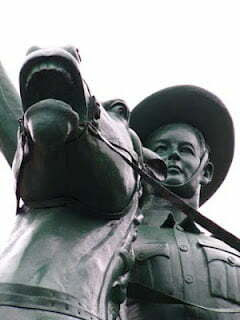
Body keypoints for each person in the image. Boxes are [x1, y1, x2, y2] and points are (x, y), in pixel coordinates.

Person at [127, 85, 240, 320]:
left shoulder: (232, 252)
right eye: (161, 148)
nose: (174, 155)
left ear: (206, 171)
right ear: (144, 164)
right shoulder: (115, 241)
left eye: (185, 149)